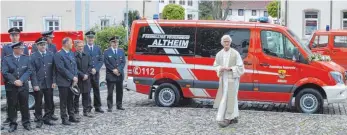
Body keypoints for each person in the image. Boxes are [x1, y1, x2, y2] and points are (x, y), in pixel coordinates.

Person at [213, 35, 245, 128]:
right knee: (225, 97)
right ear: (222, 43)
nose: (226, 43)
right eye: (225, 41)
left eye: (228, 41)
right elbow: (215, 65)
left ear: (230, 42)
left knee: (230, 97)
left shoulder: (235, 53)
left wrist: (231, 68)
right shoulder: (219, 54)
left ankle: (227, 118)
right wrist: (220, 68)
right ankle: (233, 116)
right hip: (223, 79)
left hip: (232, 79)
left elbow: (241, 67)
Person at [1, 42, 33, 132]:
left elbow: (29, 70)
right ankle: (13, 124)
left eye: (22, 48)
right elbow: (5, 72)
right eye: (20, 48)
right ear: (14, 49)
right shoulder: (7, 59)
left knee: (24, 105)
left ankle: (26, 123)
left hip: (23, 86)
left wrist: (21, 80)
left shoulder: (26, 58)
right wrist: (14, 81)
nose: (22, 49)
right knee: (12, 106)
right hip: (11, 87)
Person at [30, 37, 56, 128]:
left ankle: (47, 118)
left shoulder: (51, 54)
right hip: (39, 84)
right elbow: (32, 72)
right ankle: (39, 119)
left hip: (49, 83)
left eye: (44, 44)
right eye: (41, 45)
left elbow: (54, 70)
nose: (43, 46)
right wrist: (35, 84)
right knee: (38, 103)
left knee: (49, 102)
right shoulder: (33, 56)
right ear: (37, 46)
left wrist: (54, 81)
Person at [54, 37, 80, 125]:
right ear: (65, 44)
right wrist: (72, 77)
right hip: (63, 82)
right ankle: (64, 118)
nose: (72, 44)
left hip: (72, 81)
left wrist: (75, 77)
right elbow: (61, 69)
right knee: (63, 101)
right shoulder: (59, 54)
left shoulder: (71, 53)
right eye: (71, 43)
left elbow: (75, 66)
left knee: (70, 100)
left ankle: (71, 116)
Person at [84, 30, 105, 113]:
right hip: (87, 73)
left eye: (92, 38)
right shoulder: (84, 48)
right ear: (86, 38)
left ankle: (98, 106)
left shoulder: (97, 48)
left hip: (96, 73)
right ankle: (88, 107)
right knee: (87, 91)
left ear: (94, 38)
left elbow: (101, 60)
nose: (90, 39)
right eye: (89, 38)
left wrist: (96, 69)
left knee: (96, 90)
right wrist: (90, 70)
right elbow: (82, 62)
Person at [104, 36, 126, 112]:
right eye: (114, 42)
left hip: (119, 74)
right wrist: (113, 70)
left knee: (120, 91)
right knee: (110, 92)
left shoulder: (121, 51)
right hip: (111, 74)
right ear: (111, 43)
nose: (115, 43)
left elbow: (123, 62)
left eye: (117, 42)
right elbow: (107, 63)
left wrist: (118, 70)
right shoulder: (106, 52)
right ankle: (109, 106)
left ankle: (119, 105)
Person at [73, 40, 94, 118]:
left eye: (82, 46)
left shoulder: (87, 55)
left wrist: (87, 74)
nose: (81, 48)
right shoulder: (73, 56)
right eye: (79, 46)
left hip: (86, 79)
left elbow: (90, 66)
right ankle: (76, 112)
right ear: (75, 47)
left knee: (86, 96)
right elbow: (74, 68)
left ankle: (86, 111)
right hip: (78, 79)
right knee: (76, 97)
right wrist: (82, 75)